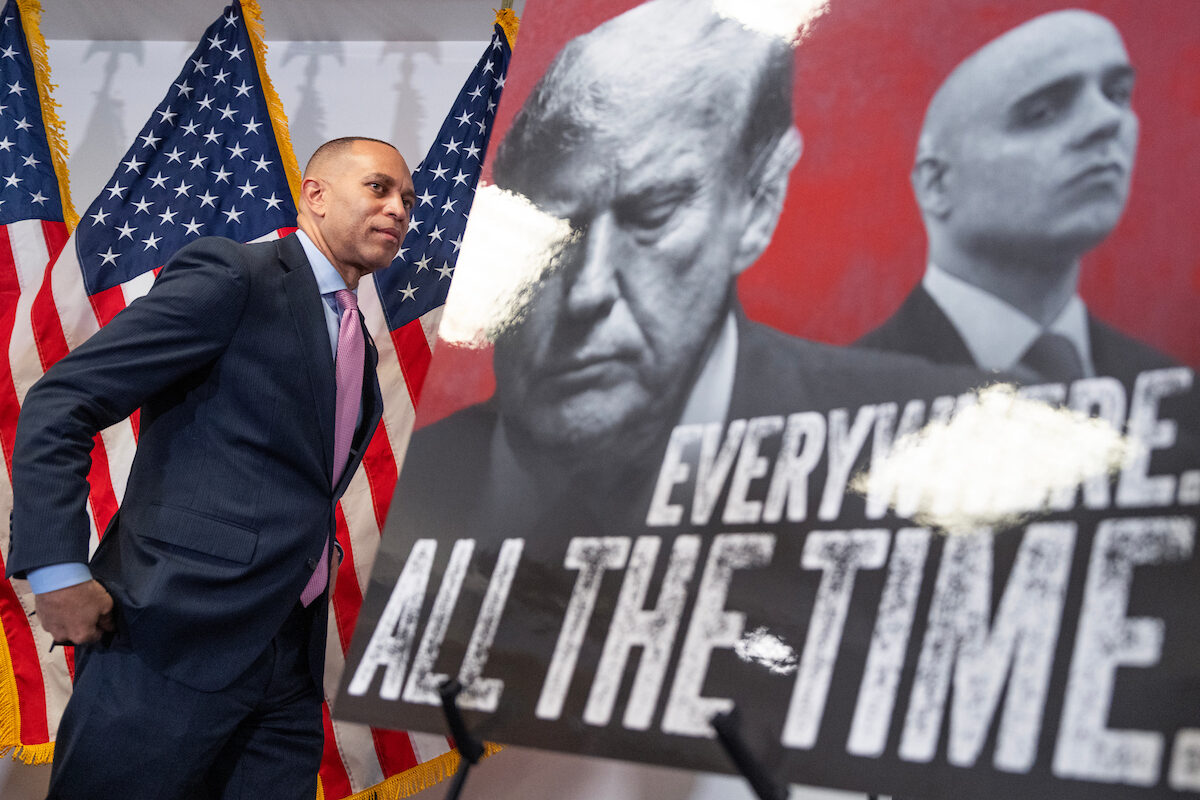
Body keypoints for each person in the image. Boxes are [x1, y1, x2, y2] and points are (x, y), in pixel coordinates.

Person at [7, 136, 415, 798]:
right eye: (379, 188)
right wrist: (57, 573)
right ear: (315, 194)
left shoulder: (357, 344)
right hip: (166, 639)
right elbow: (62, 401)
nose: (399, 209)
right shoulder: (236, 276)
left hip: (289, 664)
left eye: (408, 199)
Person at [857, 9, 1176, 385]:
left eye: (1118, 94)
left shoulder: (1180, 397)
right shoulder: (841, 395)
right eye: (1041, 113)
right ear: (938, 183)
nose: (1108, 120)